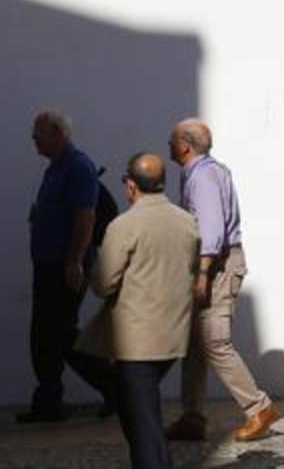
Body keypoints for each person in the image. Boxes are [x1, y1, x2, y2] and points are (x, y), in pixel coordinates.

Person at [77, 154, 199, 469]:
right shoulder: (187, 222)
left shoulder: (124, 225)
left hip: (136, 339)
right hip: (173, 334)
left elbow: (103, 283)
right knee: (139, 414)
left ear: (130, 185)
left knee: (141, 421)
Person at [164, 119, 277, 441]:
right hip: (212, 264)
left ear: (185, 145)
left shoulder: (203, 177)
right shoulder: (203, 172)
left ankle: (258, 408)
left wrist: (202, 273)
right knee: (194, 346)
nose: (169, 145)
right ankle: (193, 417)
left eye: (172, 141)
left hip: (216, 265)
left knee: (215, 341)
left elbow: (211, 230)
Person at [19, 110, 114, 423]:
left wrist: (74, 261)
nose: (33, 139)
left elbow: (85, 217)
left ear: (58, 133)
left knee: (60, 334)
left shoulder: (78, 166)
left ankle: (115, 387)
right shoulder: (54, 169)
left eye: (39, 133)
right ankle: (48, 400)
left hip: (65, 266)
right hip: (47, 266)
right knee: (43, 334)